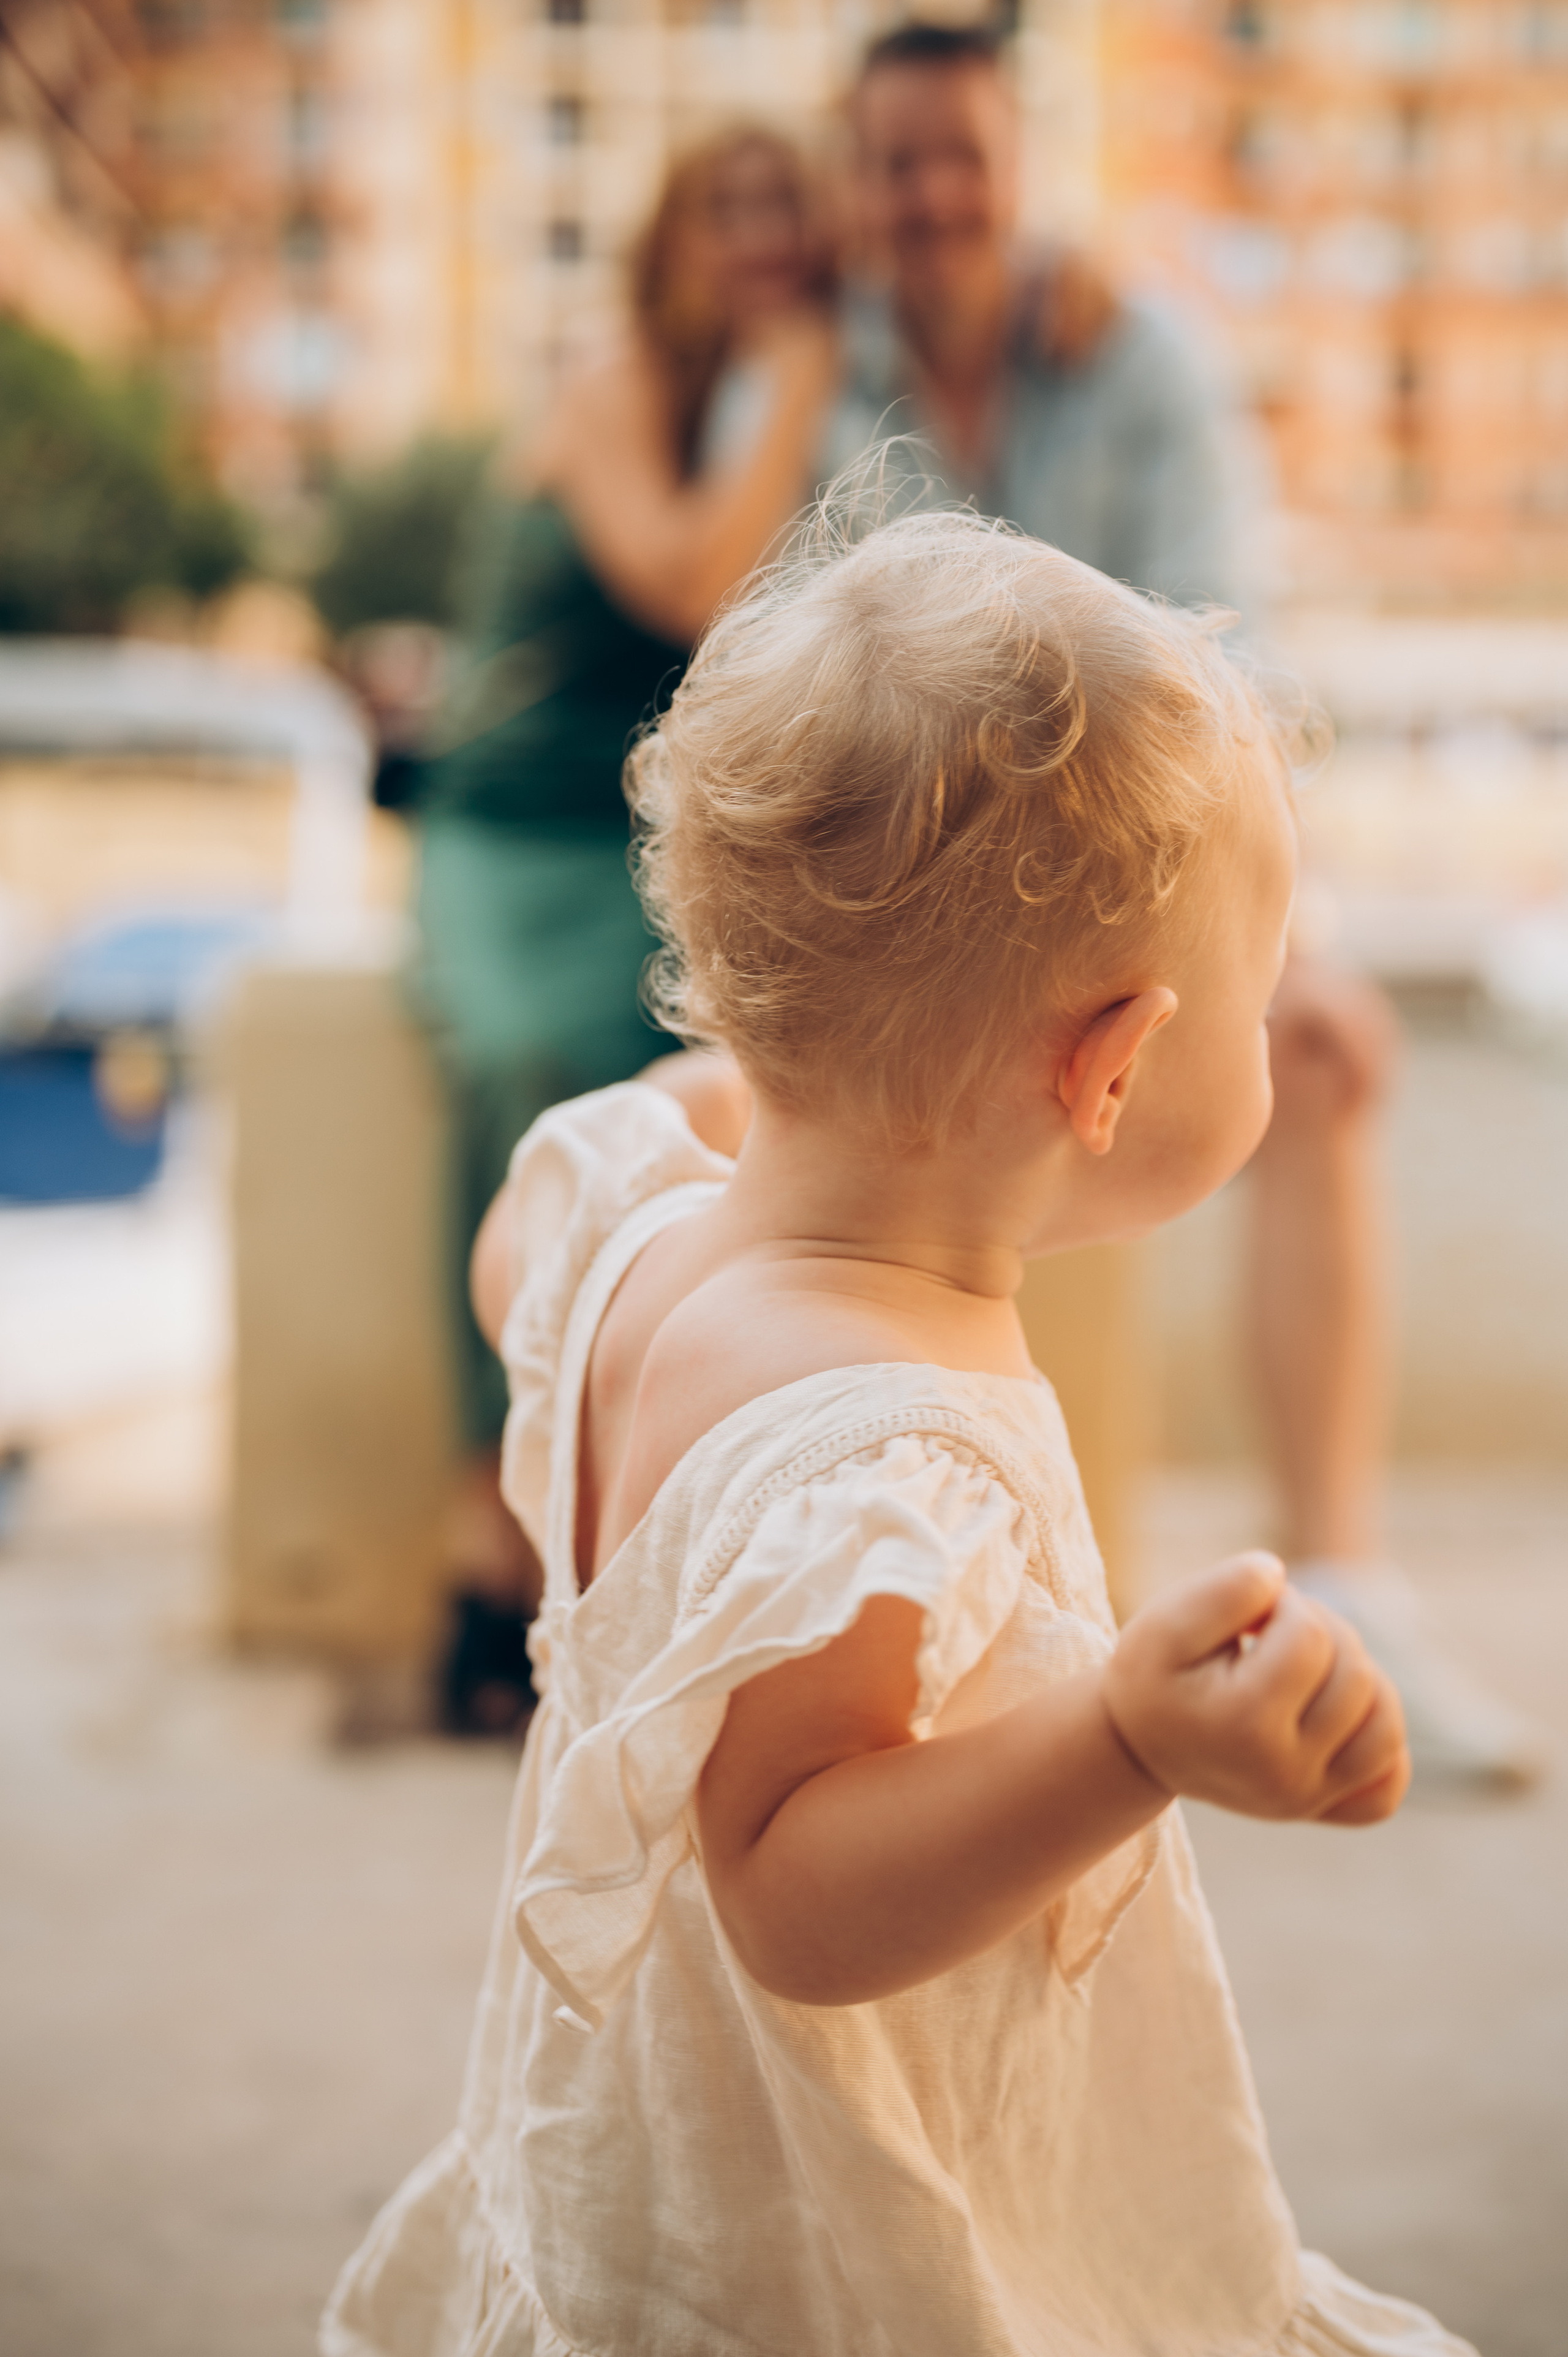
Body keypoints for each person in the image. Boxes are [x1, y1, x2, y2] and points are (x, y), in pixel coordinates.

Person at [321, 502, 1475, 2357]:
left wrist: (798, 1064)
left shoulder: (617, 1222)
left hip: (639, 2155)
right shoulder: (882, 1458)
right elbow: (796, 1891)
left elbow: (513, 1250)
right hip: (819, 2256)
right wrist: (1126, 1739)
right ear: (1110, 1071)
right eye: (1256, 1005)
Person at [825, 18, 1539, 1791]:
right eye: (898, 161)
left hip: (1122, 846)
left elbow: (1226, 666)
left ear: (1019, 167)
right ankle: (881, 1605)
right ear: (858, 181)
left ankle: (1339, 1588)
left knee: (1327, 1050)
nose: (932, 195)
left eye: (962, 156)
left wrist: (1244, 935)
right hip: (905, 881)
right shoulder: (809, 365)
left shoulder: (1137, 354)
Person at [409, 127, 837, 1728]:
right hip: (513, 825)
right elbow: (683, 579)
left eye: (788, 206)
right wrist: (797, 381)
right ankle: (486, 1546)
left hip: (658, 833)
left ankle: (644, 1551)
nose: (760, 235)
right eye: (728, 206)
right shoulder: (617, 384)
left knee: (715, 1112)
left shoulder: (780, 406)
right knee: (521, 1068)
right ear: (667, 237)